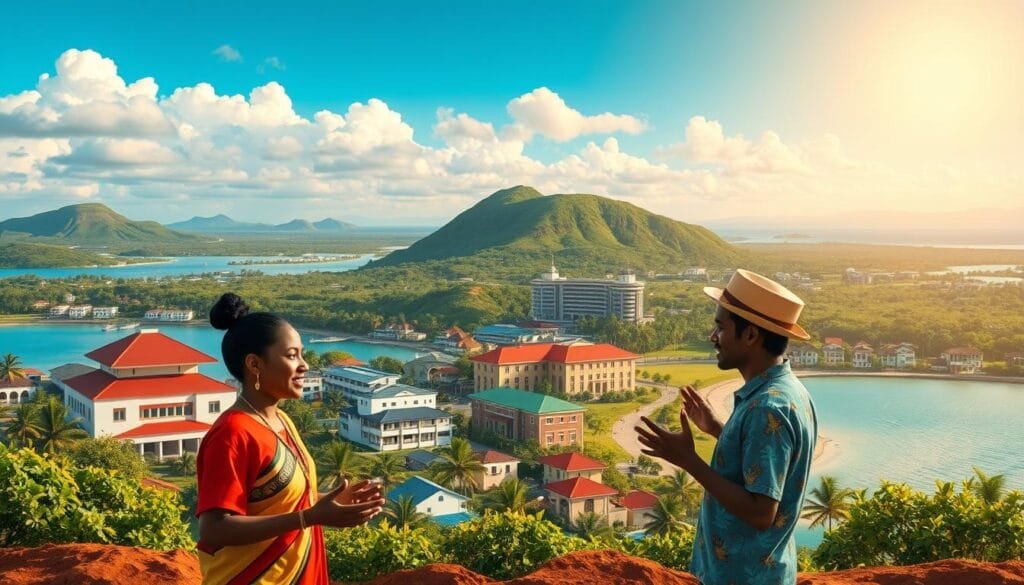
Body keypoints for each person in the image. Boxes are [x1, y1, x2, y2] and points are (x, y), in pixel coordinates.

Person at [636, 269, 818, 584]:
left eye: (721, 327)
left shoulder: (766, 408)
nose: (713, 337)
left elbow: (761, 513)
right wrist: (719, 429)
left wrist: (688, 460)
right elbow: (761, 463)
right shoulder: (786, 391)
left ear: (750, 335)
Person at [196, 292, 385, 584]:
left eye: (302, 354)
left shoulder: (281, 420)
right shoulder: (232, 434)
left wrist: (339, 501)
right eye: (291, 355)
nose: (304, 365)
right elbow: (214, 529)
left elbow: (282, 503)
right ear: (255, 365)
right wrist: (309, 518)